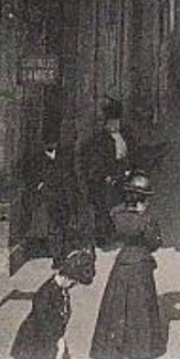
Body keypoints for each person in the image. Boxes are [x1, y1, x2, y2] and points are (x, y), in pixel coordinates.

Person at [89, 173, 166, 359]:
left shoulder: (117, 214)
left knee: (117, 304)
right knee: (141, 307)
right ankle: (141, 348)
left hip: (122, 261)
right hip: (140, 263)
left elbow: (110, 235)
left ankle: (115, 347)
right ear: (144, 197)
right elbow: (154, 243)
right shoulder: (147, 219)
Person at [10, 248, 95, 359]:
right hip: (35, 344)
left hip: (52, 342)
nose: (74, 286)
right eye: (74, 282)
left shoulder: (62, 291)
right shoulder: (45, 294)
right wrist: (59, 345)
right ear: (66, 277)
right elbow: (44, 325)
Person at [80, 99, 132, 248]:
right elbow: (98, 162)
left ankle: (112, 233)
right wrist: (106, 176)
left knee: (114, 207)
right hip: (102, 181)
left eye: (117, 122)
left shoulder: (120, 135)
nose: (116, 125)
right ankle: (103, 238)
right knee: (102, 210)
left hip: (117, 177)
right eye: (113, 123)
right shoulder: (101, 140)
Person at [24, 134, 77, 263]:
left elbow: (70, 176)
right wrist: (39, 184)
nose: (51, 146)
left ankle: (62, 252)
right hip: (47, 199)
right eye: (48, 143)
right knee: (54, 228)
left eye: (53, 143)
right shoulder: (37, 158)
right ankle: (57, 257)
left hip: (63, 197)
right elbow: (31, 176)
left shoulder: (64, 157)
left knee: (63, 226)